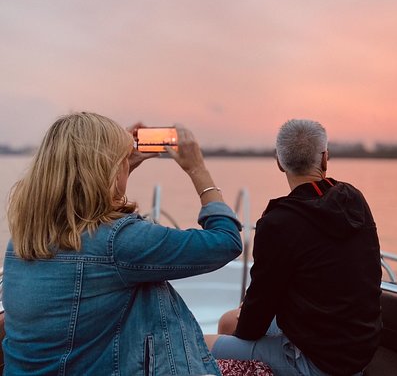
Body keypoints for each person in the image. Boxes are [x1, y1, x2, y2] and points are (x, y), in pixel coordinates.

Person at [2, 112, 243, 375]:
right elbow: (225, 240)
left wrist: (120, 166)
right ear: (108, 170)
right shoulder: (117, 242)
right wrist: (198, 170)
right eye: (120, 163)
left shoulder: (23, 240)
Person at [206, 119, 382, 376]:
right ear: (325, 159)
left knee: (199, 347)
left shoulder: (277, 223)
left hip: (320, 364)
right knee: (227, 321)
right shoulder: (353, 199)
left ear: (279, 162)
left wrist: (248, 319)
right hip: (358, 350)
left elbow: (253, 324)